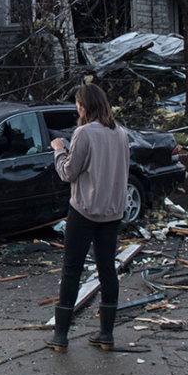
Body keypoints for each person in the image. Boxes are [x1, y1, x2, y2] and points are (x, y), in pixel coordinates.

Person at [47, 82, 131, 351]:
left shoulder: (83, 133)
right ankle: (106, 333)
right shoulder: (121, 133)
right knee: (107, 269)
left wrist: (59, 149)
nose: (76, 108)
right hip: (113, 210)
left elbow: (68, 173)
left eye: (78, 103)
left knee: (72, 267)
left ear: (84, 106)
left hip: (84, 210)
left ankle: (60, 336)